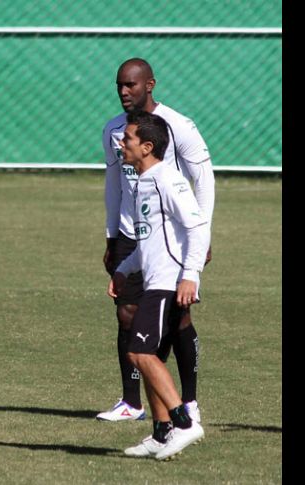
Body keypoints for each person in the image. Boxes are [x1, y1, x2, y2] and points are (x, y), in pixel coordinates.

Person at [98, 58, 214, 422]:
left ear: (150, 85)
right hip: (133, 236)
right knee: (126, 313)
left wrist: (203, 233)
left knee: (178, 317)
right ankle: (132, 403)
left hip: (172, 236)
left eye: (131, 85)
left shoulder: (178, 126)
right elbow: (114, 185)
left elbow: (204, 180)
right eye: (119, 85)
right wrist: (112, 236)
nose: (123, 92)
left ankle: (189, 402)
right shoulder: (114, 131)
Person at [108, 109, 206, 460]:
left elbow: (195, 227)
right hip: (152, 281)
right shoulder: (141, 182)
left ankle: (184, 423)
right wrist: (123, 269)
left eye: (129, 139)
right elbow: (148, 239)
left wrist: (190, 275)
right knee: (151, 357)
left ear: (147, 147)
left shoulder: (168, 178)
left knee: (140, 352)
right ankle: (161, 433)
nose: (122, 143)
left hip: (169, 283)